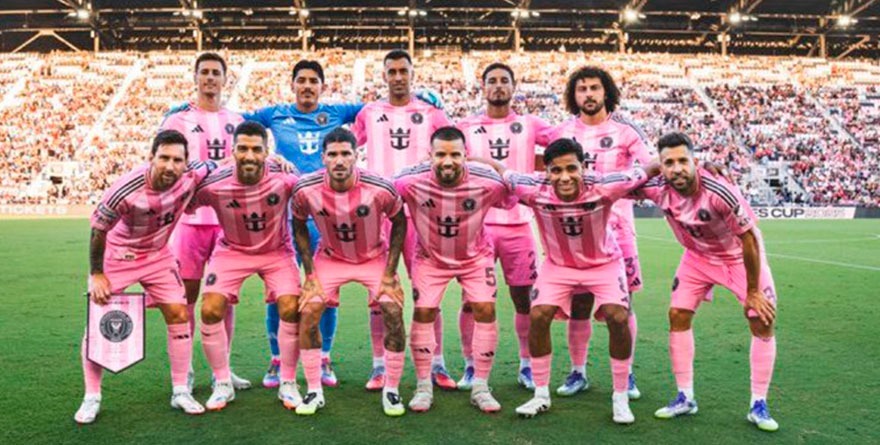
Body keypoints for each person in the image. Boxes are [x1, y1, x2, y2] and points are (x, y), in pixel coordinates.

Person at [491, 138, 654, 424]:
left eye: (571, 169)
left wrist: (700, 167)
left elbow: (650, 168)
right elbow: (501, 170)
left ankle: (620, 397)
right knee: (538, 315)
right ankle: (541, 395)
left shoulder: (605, 185)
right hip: (559, 265)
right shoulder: (532, 188)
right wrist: (470, 159)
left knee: (618, 316)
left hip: (603, 263)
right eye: (556, 170)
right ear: (547, 172)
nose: (564, 177)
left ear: (583, 167)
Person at [633, 132, 779, 432]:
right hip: (697, 257)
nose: (677, 169)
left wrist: (753, 291)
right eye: (668, 163)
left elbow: (749, 239)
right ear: (661, 166)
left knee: (761, 318)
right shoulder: (658, 187)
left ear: (695, 162)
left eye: (682, 161)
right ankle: (685, 397)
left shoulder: (718, 190)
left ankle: (758, 403)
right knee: (678, 314)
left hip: (737, 256)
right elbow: (620, 185)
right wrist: (648, 168)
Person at [74, 130, 214, 424]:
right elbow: (98, 229)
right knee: (99, 322)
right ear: (151, 157)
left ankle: (180, 391)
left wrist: (275, 160)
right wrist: (97, 274)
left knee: (179, 313)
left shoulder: (193, 174)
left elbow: (223, 163)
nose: (170, 166)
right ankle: (91, 397)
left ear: (186, 162)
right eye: (164, 158)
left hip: (158, 256)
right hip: (119, 257)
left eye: (177, 160)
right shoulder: (126, 188)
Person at [543, 66, 654, 399]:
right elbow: (543, 169)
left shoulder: (626, 131)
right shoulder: (562, 131)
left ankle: (626, 374)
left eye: (594, 88)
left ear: (606, 92)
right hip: (574, 231)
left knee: (623, 305)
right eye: (581, 89)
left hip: (618, 229)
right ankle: (578, 371)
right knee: (579, 304)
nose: (588, 94)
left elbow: (649, 167)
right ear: (573, 95)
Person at [352, 49, 456, 391]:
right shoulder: (369, 113)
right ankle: (379, 366)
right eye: (392, 71)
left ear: (412, 74)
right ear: (384, 75)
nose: (398, 77)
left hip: (420, 214)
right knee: (378, 292)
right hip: (378, 214)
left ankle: (437, 363)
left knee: (426, 291)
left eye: (403, 71)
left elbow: (454, 152)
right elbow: (348, 147)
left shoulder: (431, 113)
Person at [290, 127, 409, 416]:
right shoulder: (306, 189)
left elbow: (400, 222)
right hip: (331, 258)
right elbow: (298, 224)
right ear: (323, 157)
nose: (339, 160)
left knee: (393, 311)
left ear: (357, 155)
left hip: (373, 258)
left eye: (345, 154)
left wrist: (390, 272)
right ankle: (314, 391)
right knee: (308, 312)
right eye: (333, 154)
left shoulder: (379, 187)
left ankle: (392, 390)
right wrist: (310, 275)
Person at [393, 126, 512, 413]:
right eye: (441, 155)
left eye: (455, 155)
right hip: (430, 259)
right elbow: (382, 192)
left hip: (475, 257)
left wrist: (497, 166)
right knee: (424, 312)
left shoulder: (487, 181)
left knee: (485, 309)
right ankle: (424, 386)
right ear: (430, 155)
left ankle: (481, 387)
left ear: (465, 155)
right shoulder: (409, 181)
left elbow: (513, 190)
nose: (448, 161)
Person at [188, 121, 302, 412]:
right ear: (232, 151)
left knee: (291, 307)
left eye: (256, 150)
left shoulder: (285, 177)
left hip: (276, 251)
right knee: (210, 308)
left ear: (266, 152)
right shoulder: (215, 183)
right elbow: (185, 201)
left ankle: (288, 382)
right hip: (232, 251)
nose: (249, 156)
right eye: (243, 149)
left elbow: (310, 194)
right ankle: (222, 382)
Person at [456, 62, 552, 390]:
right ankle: (471, 365)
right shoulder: (466, 127)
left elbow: (566, 142)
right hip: (478, 226)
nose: (498, 86)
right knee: (472, 299)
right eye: (492, 81)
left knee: (524, 298)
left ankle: (526, 364)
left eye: (504, 81)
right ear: (482, 87)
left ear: (514, 86)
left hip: (519, 225)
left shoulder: (530, 124)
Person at [159, 52, 250, 391]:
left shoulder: (238, 120)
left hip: (228, 221)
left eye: (216, 72)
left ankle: (221, 370)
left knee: (222, 298)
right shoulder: (177, 120)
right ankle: (186, 371)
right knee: (186, 296)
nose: (210, 78)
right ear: (195, 77)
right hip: (189, 219)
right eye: (205, 72)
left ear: (225, 79)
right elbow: (165, 165)